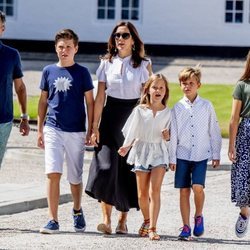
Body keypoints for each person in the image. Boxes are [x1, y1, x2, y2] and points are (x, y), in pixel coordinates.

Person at [85, 21, 152, 235]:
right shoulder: (106, 63)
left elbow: (148, 98)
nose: (119, 39)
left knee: (126, 171)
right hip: (110, 117)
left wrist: (148, 126)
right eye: (116, 36)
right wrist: (94, 126)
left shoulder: (143, 65)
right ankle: (106, 219)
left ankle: (123, 220)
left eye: (124, 35)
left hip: (133, 118)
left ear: (133, 40)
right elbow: (100, 97)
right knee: (104, 167)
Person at [37, 29, 94, 234]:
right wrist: (40, 129)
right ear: (56, 48)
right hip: (53, 127)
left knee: (75, 177)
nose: (64, 50)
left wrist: (91, 129)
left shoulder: (82, 72)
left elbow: (90, 102)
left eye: (69, 46)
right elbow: (43, 100)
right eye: (61, 46)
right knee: (53, 173)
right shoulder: (48, 71)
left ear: (76, 49)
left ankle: (77, 210)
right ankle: (52, 219)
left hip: (76, 130)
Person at [169, 67, 222, 241]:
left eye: (191, 83)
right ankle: (185, 226)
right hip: (182, 154)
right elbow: (174, 133)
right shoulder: (177, 108)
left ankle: (198, 215)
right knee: (184, 191)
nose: (187, 86)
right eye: (184, 83)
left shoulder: (206, 106)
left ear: (198, 85)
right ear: (180, 85)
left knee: (197, 188)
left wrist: (216, 153)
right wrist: (172, 158)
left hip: (200, 155)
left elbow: (213, 130)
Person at [118, 74, 171, 240]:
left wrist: (168, 136)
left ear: (165, 92)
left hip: (159, 152)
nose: (158, 90)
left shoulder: (169, 112)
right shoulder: (140, 111)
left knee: (154, 190)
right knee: (142, 194)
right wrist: (126, 147)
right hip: (141, 150)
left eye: (161, 88)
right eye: (155, 87)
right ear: (147, 90)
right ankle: (147, 220)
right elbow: (131, 131)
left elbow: (173, 138)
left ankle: (153, 228)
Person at [0, 10, 30, 168]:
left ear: (2, 28)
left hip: (2, 122)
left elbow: (20, 88)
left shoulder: (12, 55)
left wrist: (24, 117)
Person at [228, 51, 250, 238]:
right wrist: (231, 145)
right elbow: (234, 118)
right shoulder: (242, 85)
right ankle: (244, 214)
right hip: (246, 133)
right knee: (242, 178)